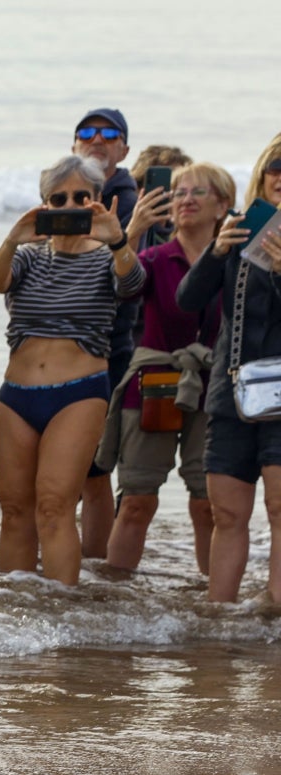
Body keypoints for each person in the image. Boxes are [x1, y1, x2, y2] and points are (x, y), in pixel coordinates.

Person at [0, 155, 145, 586]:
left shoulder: (107, 257)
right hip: (16, 396)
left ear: (98, 200)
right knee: (15, 510)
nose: (70, 204)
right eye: (59, 198)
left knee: (55, 506)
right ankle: (17, 615)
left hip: (78, 394)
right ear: (45, 204)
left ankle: (61, 613)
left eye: (82, 196)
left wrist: (117, 241)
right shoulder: (29, 257)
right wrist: (12, 239)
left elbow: (133, 285)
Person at [101, 163, 234, 576]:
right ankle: (114, 597)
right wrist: (130, 232)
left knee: (206, 504)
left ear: (223, 205)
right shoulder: (155, 257)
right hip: (154, 381)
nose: (186, 200)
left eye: (199, 192)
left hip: (213, 385)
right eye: (178, 193)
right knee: (137, 500)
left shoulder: (236, 260)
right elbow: (123, 286)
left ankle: (210, 605)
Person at [177, 134, 281, 604]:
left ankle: (276, 612)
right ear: (262, 172)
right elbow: (188, 301)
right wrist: (216, 251)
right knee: (227, 514)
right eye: (277, 166)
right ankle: (218, 618)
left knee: (280, 509)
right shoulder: (240, 231)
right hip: (231, 390)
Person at [72, 108, 141, 558]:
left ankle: (93, 565)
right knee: (75, 473)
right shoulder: (66, 196)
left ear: (124, 148)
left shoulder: (127, 199)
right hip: (59, 344)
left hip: (110, 346)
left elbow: (130, 278)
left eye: (108, 133)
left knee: (92, 470)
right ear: (74, 145)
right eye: (87, 132)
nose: (97, 139)